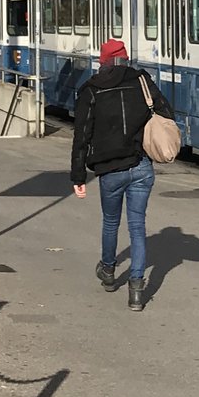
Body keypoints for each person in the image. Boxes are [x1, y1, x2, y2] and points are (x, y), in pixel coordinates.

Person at [71, 38, 174, 311]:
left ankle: (108, 271)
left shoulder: (90, 89)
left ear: (102, 60)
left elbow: (81, 137)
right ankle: (137, 290)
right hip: (141, 166)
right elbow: (166, 111)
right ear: (126, 58)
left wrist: (78, 178)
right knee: (138, 226)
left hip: (110, 170)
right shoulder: (141, 81)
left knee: (110, 222)